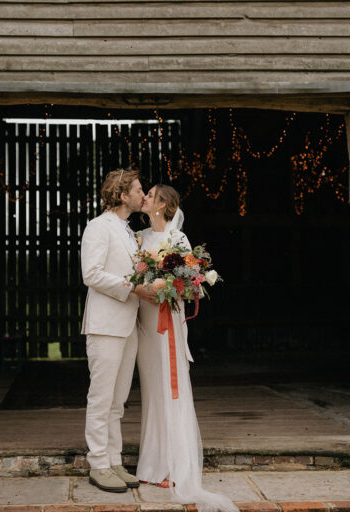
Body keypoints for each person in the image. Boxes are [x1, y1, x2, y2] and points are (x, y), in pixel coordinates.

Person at [135, 184, 239, 512]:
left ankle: (172, 466)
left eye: (151, 194)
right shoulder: (137, 237)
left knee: (171, 388)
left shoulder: (178, 240)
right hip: (144, 323)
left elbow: (188, 285)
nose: (145, 198)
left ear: (164, 204)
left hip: (167, 323)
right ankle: (152, 466)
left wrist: (168, 285)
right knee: (152, 390)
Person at [80, 168, 156, 493]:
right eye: (139, 190)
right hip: (105, 326)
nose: (143, 195)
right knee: (101, 398)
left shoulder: (128, 231)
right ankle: (97, 464)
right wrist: (133, 288)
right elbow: (91, 274)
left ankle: (114, 460)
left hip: (129, 326)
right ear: (123, 195)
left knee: (118, 401)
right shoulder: (98, 227)